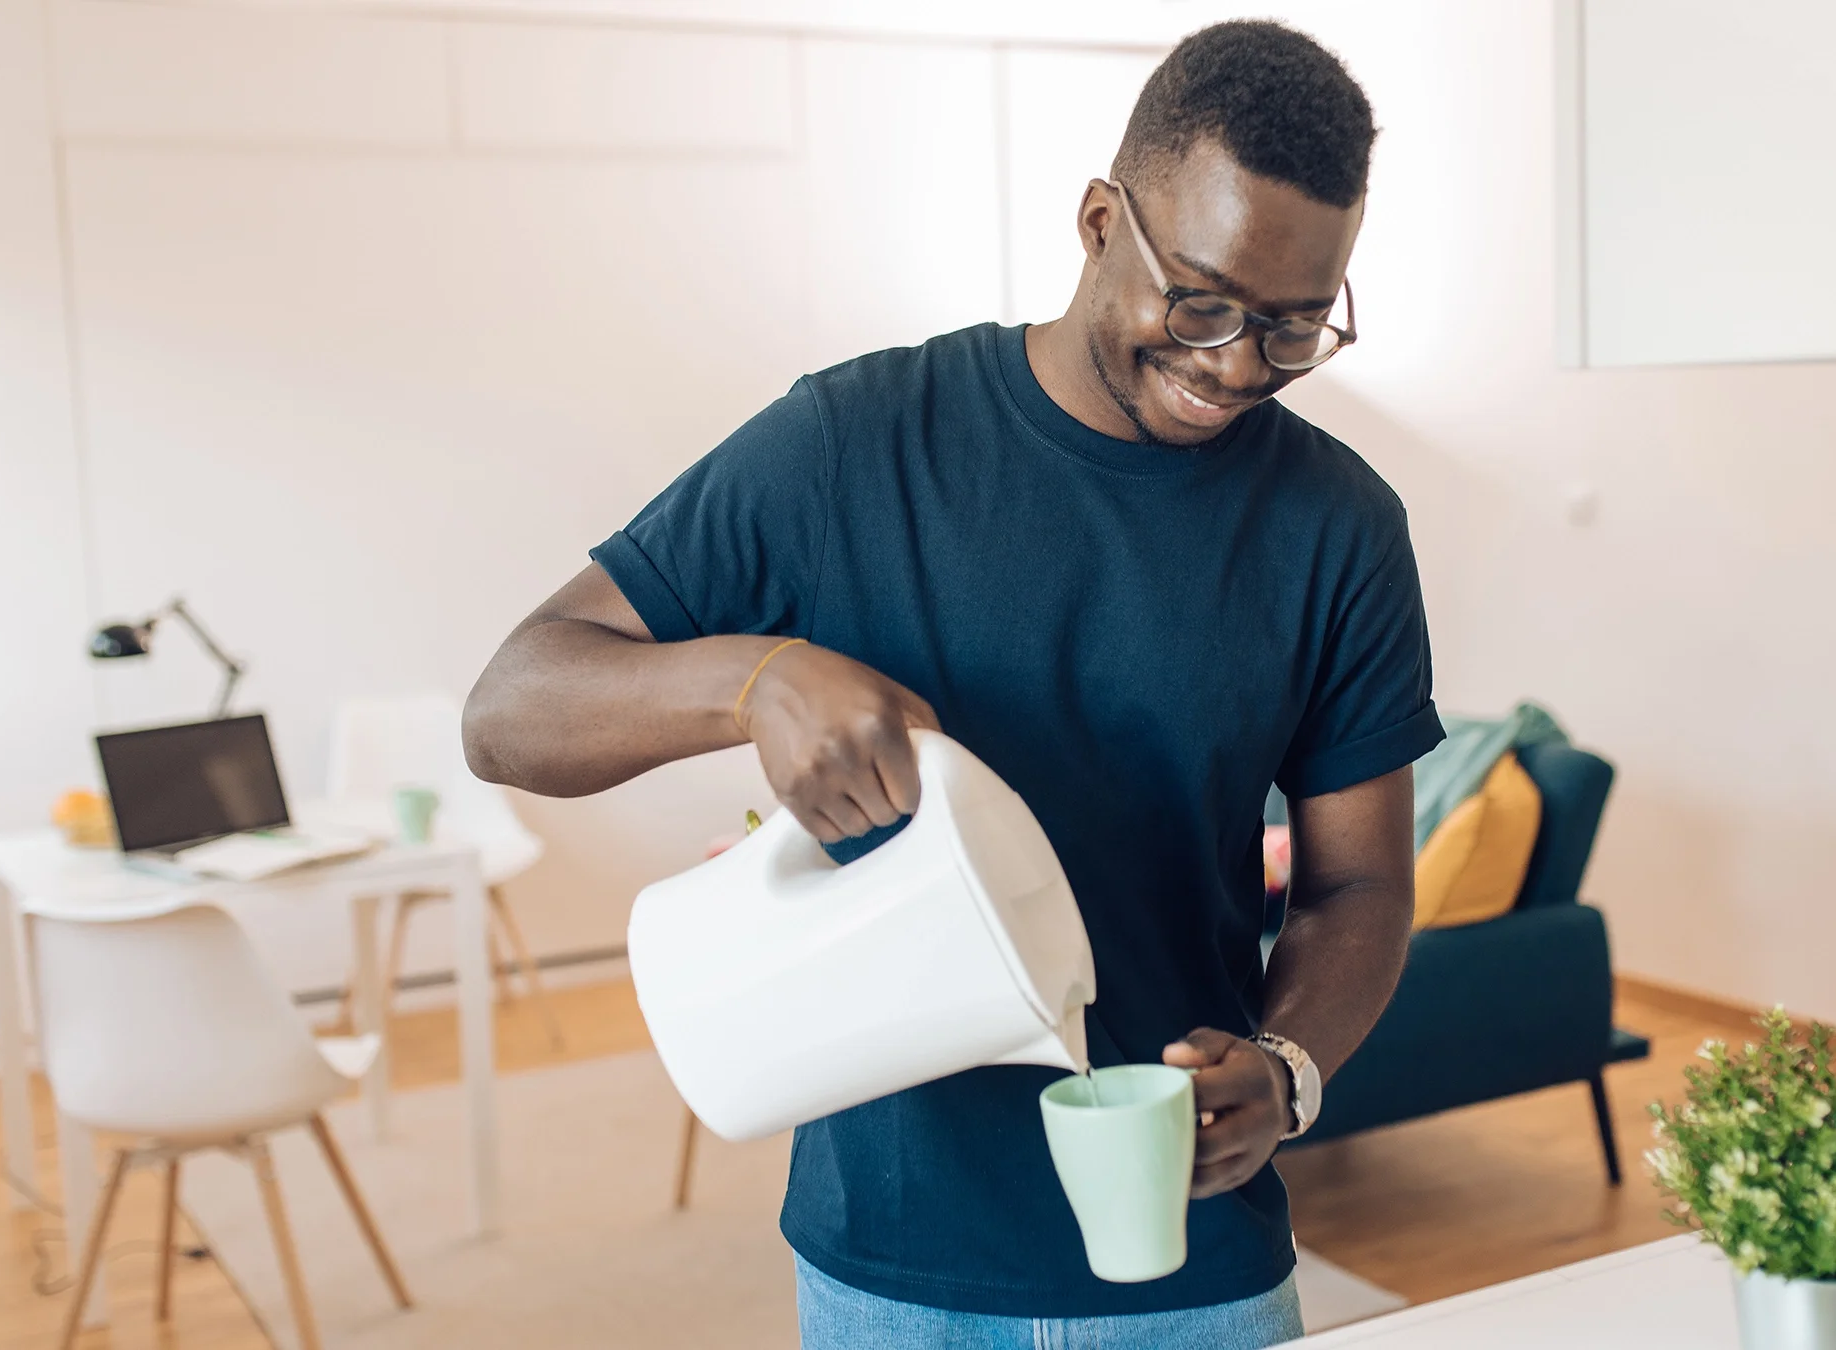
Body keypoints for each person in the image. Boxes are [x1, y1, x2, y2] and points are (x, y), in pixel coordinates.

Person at [463, 20, 1440, 1348]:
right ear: (1102, 221)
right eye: (1202, 301)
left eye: (1295, 326)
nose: (1233, 364)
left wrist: (1290, 1072)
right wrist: (751, 680)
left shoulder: (1339, 526)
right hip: (889, 1266)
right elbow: (512, 708)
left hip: (1194, 1263)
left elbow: (1361, 885)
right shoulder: (852, 443)